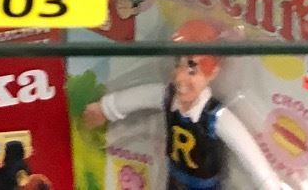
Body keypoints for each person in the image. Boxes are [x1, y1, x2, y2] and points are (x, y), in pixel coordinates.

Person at [82, 22, 287, 190]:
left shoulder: (215, 117)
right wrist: (106, 108)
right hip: (173, 179)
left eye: (191, 70)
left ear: (212, 72)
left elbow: (246, 150)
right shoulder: (169, 98)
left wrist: (270, 184)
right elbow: (142, 96)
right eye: (178, 65)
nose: (180, 77)